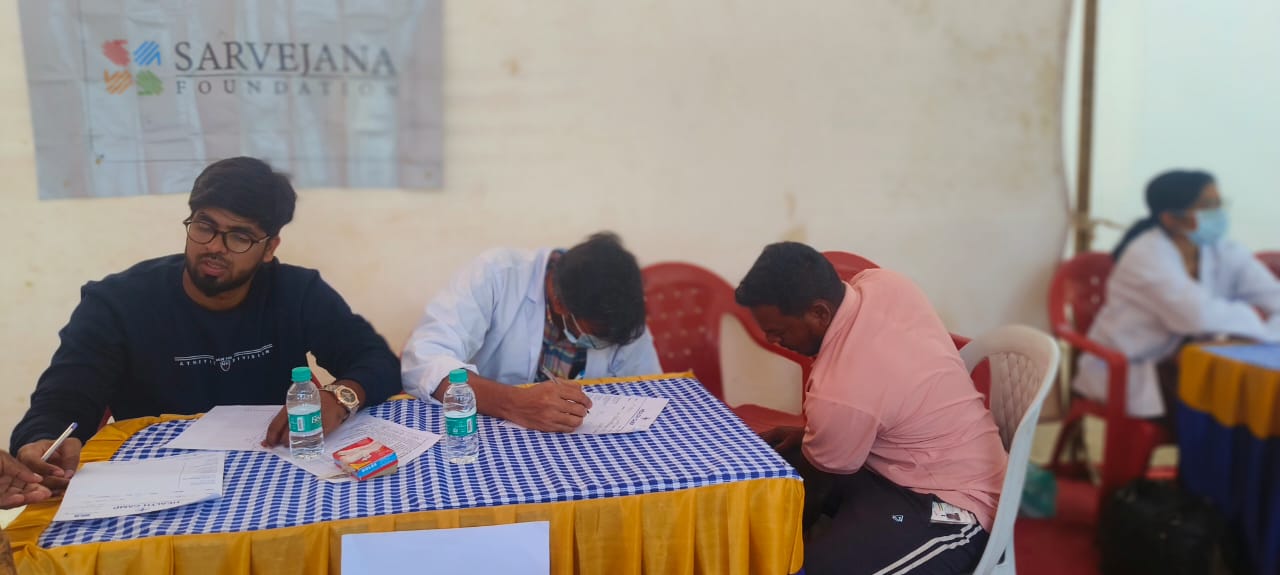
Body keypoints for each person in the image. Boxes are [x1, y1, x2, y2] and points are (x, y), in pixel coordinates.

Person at [10, 157, 401, 492]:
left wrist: (339, 397)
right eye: (204, 226)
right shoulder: (117, 302)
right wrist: (40, 440)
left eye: (240, 236)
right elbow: (64, 397)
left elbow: (376, 361)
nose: (214, 246)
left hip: (276, 473)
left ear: (270, 248)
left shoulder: (296, 292)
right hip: (156, 485)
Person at [735, 242, 1006, 575]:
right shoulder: (883, 282)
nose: (772, 341)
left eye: (778, 332)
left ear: (819, 313)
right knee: (775, 464)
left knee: (817, 568)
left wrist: (783, 543)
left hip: (952, 505)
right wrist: (813, 439)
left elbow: (813, 493)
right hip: (890, 468)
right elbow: (876, 400)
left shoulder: (841, 391)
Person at [401, 232, 661, 432]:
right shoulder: (497, 274)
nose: (599, 344)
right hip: (492, 437)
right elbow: (423, 360)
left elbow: (650, 389)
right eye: (594, 338)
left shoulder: (619, 310)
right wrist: (513, 403)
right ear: (559, 303)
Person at [1073, 170, 1280, 420]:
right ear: (1171, 218)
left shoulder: (1223, 250)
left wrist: (1260, 333)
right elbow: (1197, 317)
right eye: (1207, 206)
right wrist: (1256, 325)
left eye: (1219, 203)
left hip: (1189, 360)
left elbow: (1274, 297)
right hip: (1135, 366)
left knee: (1253, 399)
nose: (1218, 213)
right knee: (1237, 405)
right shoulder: (1146, 254)